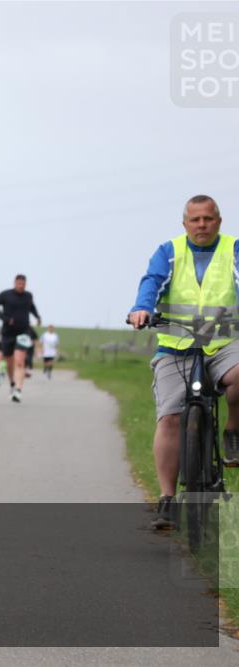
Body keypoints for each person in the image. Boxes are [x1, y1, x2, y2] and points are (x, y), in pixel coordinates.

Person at [128, 195, 239, 530]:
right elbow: (152, 281)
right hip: (177, 346)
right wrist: (142, 307)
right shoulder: (169, 252)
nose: (201, 225)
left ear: (218, 221)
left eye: (207, 219)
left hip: (223, 344)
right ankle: (166, 499)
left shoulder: (233, 249)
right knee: (170, 419)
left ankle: (232, 431)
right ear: (185, 223)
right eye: (195, 220)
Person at [0, 274, 41, 402]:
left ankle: (18, 390)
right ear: (15, 283)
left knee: (19, 361)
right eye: (19, 283)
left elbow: (32, 307)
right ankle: (12, 383)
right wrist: (6, 319)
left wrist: (37, 316)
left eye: (23, 284)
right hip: (8, 333)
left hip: (23, 332)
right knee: (9, 362)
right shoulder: (5, 294)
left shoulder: (28, 296)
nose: (21, 286)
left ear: (25, 284)